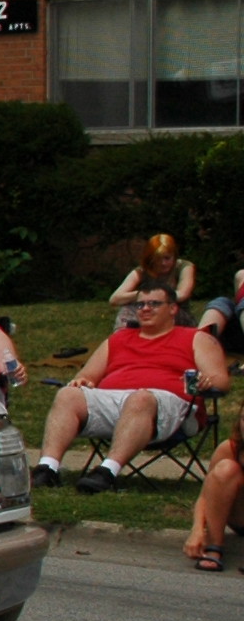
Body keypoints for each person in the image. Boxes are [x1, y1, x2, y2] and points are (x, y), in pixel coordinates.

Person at [38, 283, 230, 491]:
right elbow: (86, 375)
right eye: (140, 305)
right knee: (67, 394)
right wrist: (83, 381)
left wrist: (206, 381)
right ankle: (47, 468)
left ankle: (107, 472)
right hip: (116, 402)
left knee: (141, 398)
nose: (145, 309)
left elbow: (221, 381)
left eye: (154, 304)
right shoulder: (118, 339)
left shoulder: (196, 338)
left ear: (173, 308)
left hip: (169, 408)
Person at [109, 232, 198, 327]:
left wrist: (154, 297)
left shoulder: (184, 267)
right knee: (126, 310)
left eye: (167, 258)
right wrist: (142, 295)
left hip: (177, 314)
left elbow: (182, 294)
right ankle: (123, 335)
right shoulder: (141, 271)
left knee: (163, 308)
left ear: (174, 256)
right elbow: (115, 299)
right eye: (158, 259)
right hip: (148, 312)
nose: (163, 263)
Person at [184, 437, 241, 572]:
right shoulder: (230, 447)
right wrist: (197, 530)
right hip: (239, 516)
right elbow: (205, 496)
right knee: (225, 468)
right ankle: (213, 546)